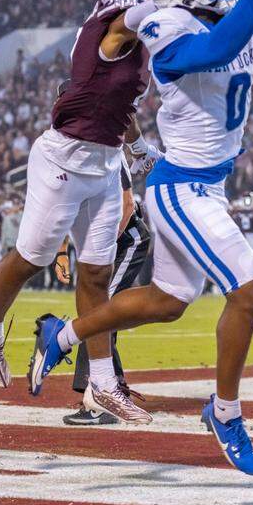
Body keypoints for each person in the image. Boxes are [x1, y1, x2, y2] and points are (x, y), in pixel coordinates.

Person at [28, 0, 253, 475]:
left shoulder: (224, 15)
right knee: (250, 293)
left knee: (167, 301)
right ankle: (225, 412)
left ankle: (64, 333)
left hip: (209, 186)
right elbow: (217, 48)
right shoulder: (167, 25)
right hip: (181, 187)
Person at [0, 0, 161, 424]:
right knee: (32, 258)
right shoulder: (117, 18)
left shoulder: (131, 25)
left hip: (104, 162)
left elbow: (117, 103)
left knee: (96, 275)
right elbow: (143, 16)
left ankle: (102, 385)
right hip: (64, 160)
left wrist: (138, 147)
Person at [64, 166, 151, 425]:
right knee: (96, 316)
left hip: (128, 242)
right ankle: (114, 388)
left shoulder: (109, 156)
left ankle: (100, 403)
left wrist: (102, 246)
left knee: (97, 317)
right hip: (105, 248)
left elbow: (127, 206)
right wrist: (61, 252)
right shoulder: (69, 164)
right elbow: (62, 212)